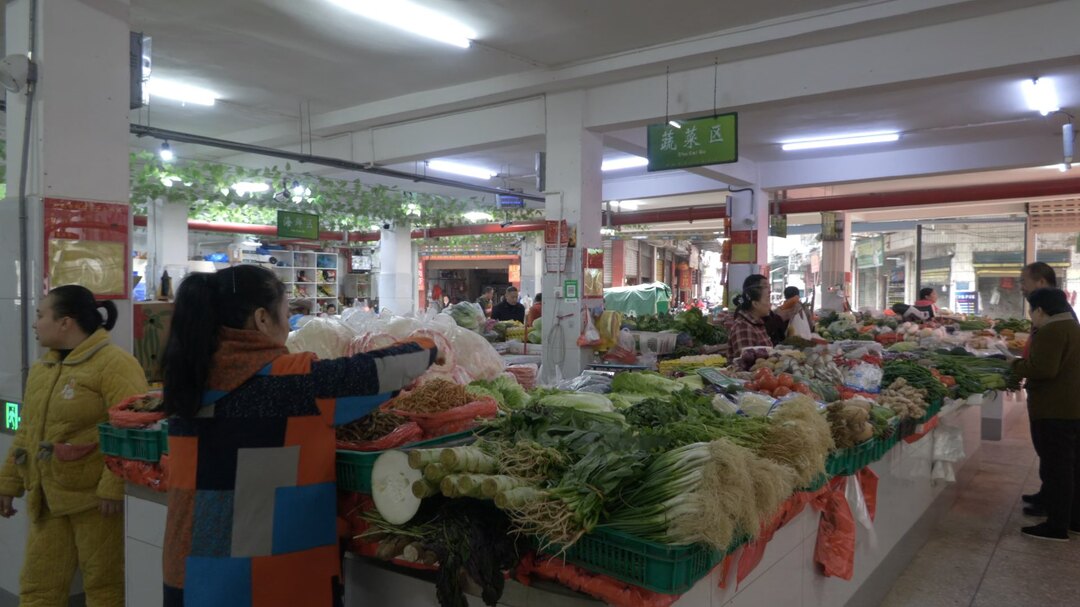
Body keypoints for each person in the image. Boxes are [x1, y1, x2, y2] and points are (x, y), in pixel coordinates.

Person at [160, 265, 437, 605]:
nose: (288, 322)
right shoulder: (291, 383)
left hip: (190, 576)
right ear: (262, 319)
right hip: (266, 581)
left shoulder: (186, 379)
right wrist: (429, 344)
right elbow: (377, 372)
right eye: (286, 313)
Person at [0, 285, 149, 606]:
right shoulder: (43, 368)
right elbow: (28, 431)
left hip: (95, 502)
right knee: (37, 585)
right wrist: (9, 483)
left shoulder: (115, 364)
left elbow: (133, 426)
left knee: (105, 586)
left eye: (41, 315)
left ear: (65, 322)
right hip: (47, 496)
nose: (35, 323)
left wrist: (112, 487)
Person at [1006, 288, 1080, 541]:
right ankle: (1073, 518)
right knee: (1070, 466)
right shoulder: (1072, 326)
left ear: (1039, 310)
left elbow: (1043, 369)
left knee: (1056, 468)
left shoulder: (1052, 331)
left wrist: (1014, 364)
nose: (1031, 318)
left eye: (1031, 312)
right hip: (1070, 406)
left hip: (1054, 408)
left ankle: (1056, 525)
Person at [728, 285, 774, 359]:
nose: (770, 304)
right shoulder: (743, 327)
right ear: (755, 304)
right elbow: (747, 363)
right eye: (768, 299)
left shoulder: (757, 324)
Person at [743, 274, 787, 345]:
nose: (769, 290)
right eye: (765, 286)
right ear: (755, 304)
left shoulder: (759, 321)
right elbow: (748, 355)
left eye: (769, 286)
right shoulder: (745, 328)